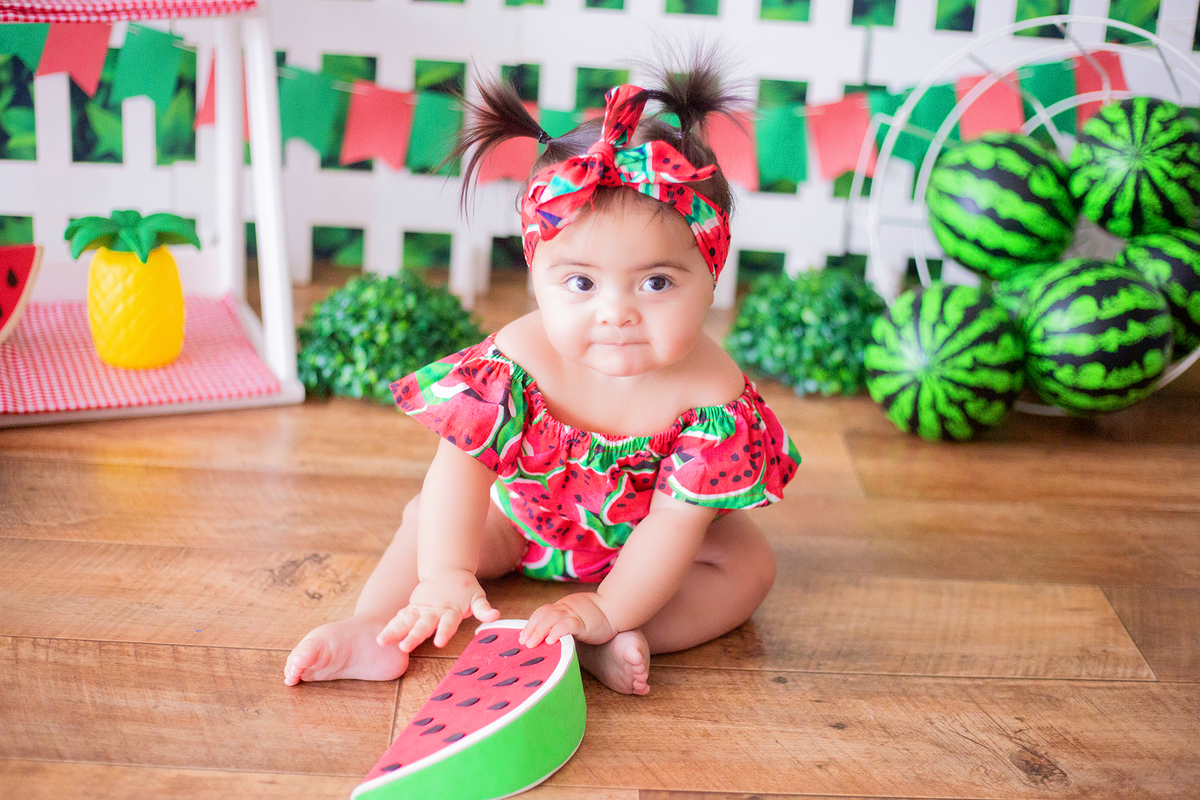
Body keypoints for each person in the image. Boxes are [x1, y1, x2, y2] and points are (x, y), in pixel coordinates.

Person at [284, 62, 800, 696]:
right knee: (429, 516)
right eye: (580, 282)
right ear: (536, 275)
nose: (616, 312)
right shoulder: (516, 361)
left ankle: (608, 641)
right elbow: (460, 468)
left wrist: (609, 610)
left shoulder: (711, 395)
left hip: (651, 555)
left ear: (712, 274)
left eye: (657, 282)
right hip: (519, 524)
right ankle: (375, 629)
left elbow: (671, 526)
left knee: (748, 567)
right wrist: (445, 571)